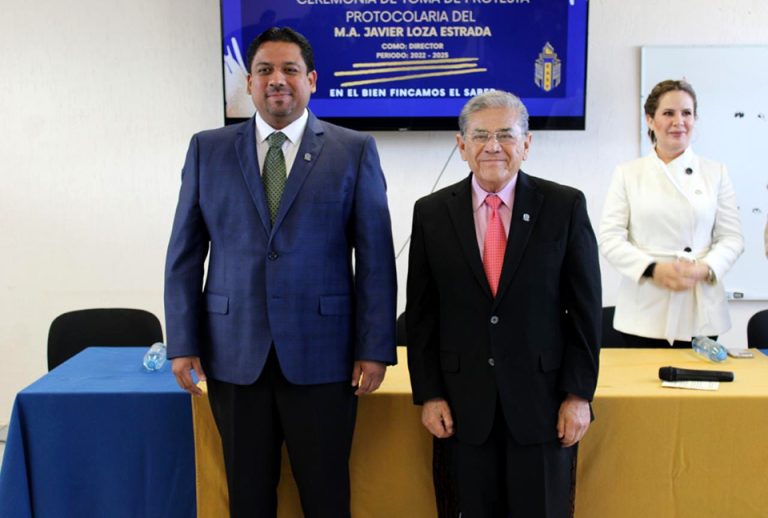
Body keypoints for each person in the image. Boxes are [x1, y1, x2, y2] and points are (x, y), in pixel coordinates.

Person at [164, 26, 397, 518]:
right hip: (234, 353)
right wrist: (182, 341)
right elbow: (185, 253)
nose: (277, 80)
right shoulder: (207, 149)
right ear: (248, 83)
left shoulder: (353, 149)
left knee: (326, 494)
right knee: (247, 496)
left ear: (311, 79)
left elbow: (376, 259)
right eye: (265, 70)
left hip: (325, 356)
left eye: (290, 69)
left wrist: (374, 348)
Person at [406, 90, 601, 517]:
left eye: (506, 135)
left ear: (526, 144)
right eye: (479, 136)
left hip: (542, 406)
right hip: (462, 410)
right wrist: (430, 394)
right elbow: (422, 315)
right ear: (461, 146)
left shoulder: (564, 206)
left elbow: (585, 312)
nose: (493, 146)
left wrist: (578, 395)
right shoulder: (432, 213)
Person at [598, 79, 744, 348]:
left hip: (700, 305)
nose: (679, 121)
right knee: (643, 387)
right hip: (645, 307)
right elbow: (610, 238)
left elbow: (732, 238)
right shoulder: (628, 173)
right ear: (650, 120)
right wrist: (653, 270)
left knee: (698, 386)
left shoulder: (716, 172)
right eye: (668, 113)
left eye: (686, 113)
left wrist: (704, 269)